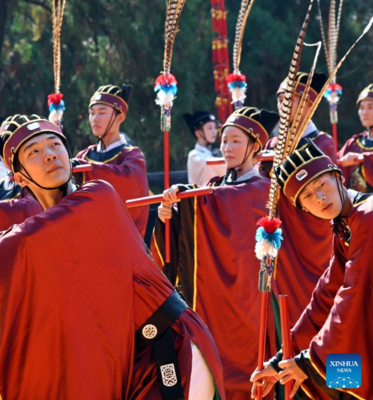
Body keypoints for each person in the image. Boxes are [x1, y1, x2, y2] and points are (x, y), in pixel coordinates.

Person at [0, 114, 226, 399]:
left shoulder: (98, 197)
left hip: (170, 349)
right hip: (133, 367)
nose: (50, 154)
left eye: (55, 144)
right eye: (34, 152)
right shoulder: (42, 228)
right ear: (19, 177)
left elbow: (21, 243)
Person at [153, 106, 278, 399]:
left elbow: (227, 212)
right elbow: (191, 225)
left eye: (236, 140)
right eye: (224, 140)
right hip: (210, 297)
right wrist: (170, 212)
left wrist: (187, 199)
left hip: (248, 297)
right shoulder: (211, 188)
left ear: (255, 146)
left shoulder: (263, 190)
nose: (227, 147)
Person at [251, 140, 373, 399]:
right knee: (341, 382)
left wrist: (308, 361)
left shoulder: (367, 216)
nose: (319, 198)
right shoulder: (343, 227)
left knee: (341, 377)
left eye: (321, 185)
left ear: (338, 177)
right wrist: (286, 357)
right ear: (303, 208)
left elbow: (351, 295)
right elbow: (326, 295)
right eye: (307, 196)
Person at [75, 84, 150, 238]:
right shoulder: (84, 155)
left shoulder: (132, 157)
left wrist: (83, 170)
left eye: (102, 112)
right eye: (92, 113)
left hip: (119, 240)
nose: (95, 118)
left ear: (120, 117)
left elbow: (129, 184)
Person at [337, 83, 373, 192]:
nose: (364, 112)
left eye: (370, 107)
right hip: (355, 207)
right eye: (361, 108)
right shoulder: (353, 143)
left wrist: (363, 158)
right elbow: (335, 163)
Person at [184, 110, 226, 186]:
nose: (214, 131)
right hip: (202, 197)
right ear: (198, 133)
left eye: (215, 128)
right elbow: (210, 165)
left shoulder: (217, 152)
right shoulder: (194, 155)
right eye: (209, 128)